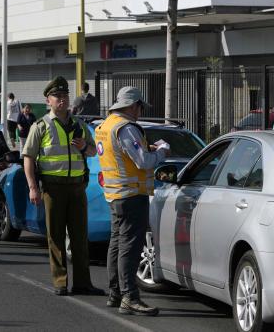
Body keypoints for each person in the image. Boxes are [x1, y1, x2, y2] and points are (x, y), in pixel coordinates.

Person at [22, 76, 104, 296]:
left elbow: (93, 151)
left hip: (77, 187)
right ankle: (60, 281)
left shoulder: (79, 125)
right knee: (56, 236)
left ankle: (82, 283)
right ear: (48, 101)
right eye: (57, 97)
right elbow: (28, 157)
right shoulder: (41, 126)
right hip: (53, 188)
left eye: (65, 96)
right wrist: (32, 187)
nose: (62, 100)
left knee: (79, 237)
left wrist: (84, 145)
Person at [94, 86, 170, 316]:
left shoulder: (105, 126)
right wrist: (162, 151)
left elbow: (123, 155)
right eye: (140, 106)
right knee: (130, 247)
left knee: (116, 244)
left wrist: (148, 148)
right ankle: (130, 297)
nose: (140, 111)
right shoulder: (125, 128)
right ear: (132, 104)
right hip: (131, 195)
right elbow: (143, 162)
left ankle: (115, 292)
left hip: (115, 194)